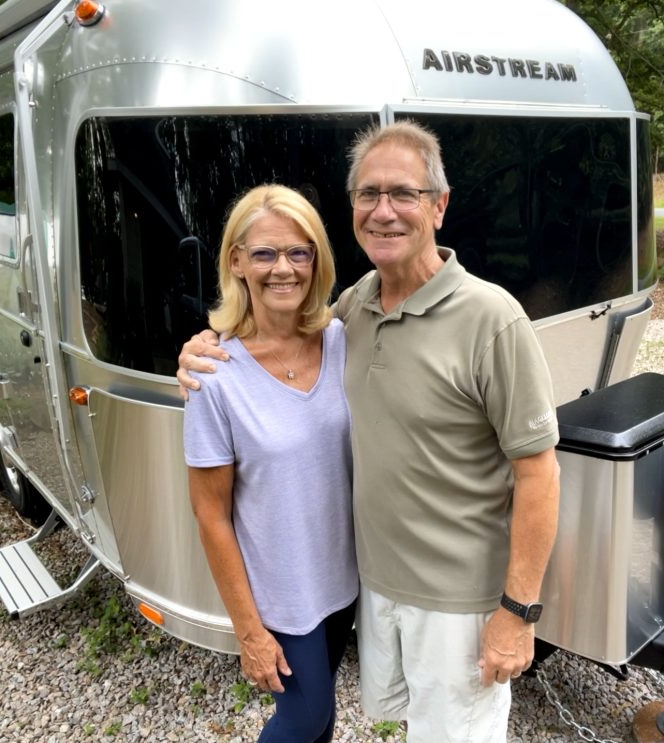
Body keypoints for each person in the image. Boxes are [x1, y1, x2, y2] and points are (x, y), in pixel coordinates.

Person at [178, 121, 561, 742]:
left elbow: (539, 471)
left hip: (458, 604)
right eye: (368, 194)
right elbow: (269, 339)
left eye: (404, 193)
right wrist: (202, 346)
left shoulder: (491, 318)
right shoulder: (354, 312)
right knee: (361, 721)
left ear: (439, 205)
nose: (384, 211)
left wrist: (517, 612)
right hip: (373, 590)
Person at [183, 184, 358, 743]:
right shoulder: (214, 375)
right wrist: (248, 630)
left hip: (344, 580)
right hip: (281, 595)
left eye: (298, 252)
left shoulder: (342, 340)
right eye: (264, 253)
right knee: (303, 717)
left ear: (316, 261)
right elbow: (211, 515)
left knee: (322, 716)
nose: (283, 268)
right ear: (237, 261)